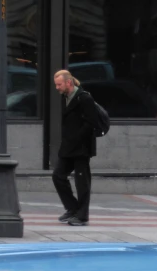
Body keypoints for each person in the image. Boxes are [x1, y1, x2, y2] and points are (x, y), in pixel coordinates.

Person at [52, 70, 101, 226]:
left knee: (82, 182)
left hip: (81, 148)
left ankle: (82, 216)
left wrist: (76, 138)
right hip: (68, 147)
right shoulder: (65, 97)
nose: (57, 88)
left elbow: (91, 123)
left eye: (59, 84)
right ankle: (72, 208)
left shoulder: (84, 98)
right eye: (56, 85)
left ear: (69, 82)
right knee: (58, 176)